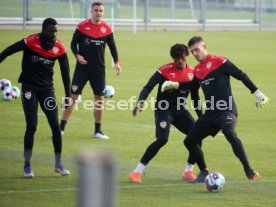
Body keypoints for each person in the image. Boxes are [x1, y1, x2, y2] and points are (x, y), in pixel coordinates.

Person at [163, 36, 269, 183]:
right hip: (211, 114)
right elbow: (192, 88)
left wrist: (257, 94)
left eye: (197, 50)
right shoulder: (198, 70)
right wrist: (175, 85)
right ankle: (204, 172)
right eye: (192, 52)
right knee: (189, 141)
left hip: (226, 110)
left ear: (204, 47)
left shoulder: (220, 62)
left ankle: (249, 170)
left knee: (229, 133)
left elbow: (241, 75)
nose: (194, 54)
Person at [0, 18, 71, 178]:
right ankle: (27, 166)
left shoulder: (59, 48)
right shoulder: (30, 41)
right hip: (29, 89)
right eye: (51, 31)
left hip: (47, 91)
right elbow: (7, 51)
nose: (54, 34)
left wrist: (68, 95)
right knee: (32, 126)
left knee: (55, 126)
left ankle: (58, 164)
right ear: (43, 30)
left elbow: (65, 72)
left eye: (55, 31)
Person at [128, 44, 202, 184]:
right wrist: (140, 101)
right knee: (162, 139)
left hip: (181, 111)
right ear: (172, 58)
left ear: (186, 56)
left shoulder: (193, 73)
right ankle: (136, 172)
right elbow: (148, 86)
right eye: (176, 58)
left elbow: (195, 98)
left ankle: (188, 171)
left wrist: (202, 117)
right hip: (164, 110)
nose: (179, 61)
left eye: (182, 58)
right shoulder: (164, 71)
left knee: (198, 136)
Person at [60, 1, 122, 139]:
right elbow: (72, 44)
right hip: (82, 70)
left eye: (101, 11)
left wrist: (117, 63)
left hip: (98, 71)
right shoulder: (82, 27)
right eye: (96, 10)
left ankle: (97, 131)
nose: (98, 13)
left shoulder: (107, 29)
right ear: (91, 11)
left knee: (99, 100)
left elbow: (113, 48)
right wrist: (78, 55)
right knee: (73, 97)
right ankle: (61, 128)